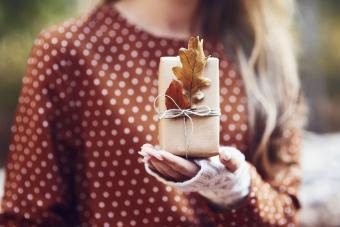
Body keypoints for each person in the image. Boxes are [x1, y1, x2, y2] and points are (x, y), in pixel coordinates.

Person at [0, 0, 306, 226]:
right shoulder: (69, 52)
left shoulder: (263, 56)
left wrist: (233, 190)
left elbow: (287, 213)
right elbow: (29, 215)